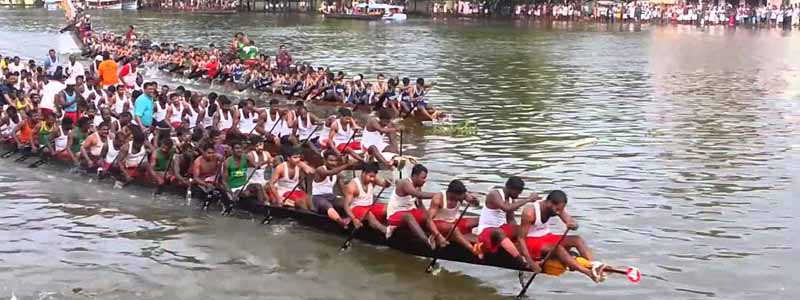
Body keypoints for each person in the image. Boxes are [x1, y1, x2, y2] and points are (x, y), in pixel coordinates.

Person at [517, 190, 606, 282]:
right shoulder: (530, 212)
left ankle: (592, 266)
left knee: (577, 239)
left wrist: (573, 224)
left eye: (561, 210)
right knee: (557, 248)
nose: (559, 213)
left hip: (546, 236)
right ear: (549, 203)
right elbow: (521, 239)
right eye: (557, 210)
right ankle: (588, 273)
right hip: (531, 241)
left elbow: (572, 222)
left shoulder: (557, 207)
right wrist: (530, 262)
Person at [476, 176, 537, 268]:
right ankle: (521, 262)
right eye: (518, 193)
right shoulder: (495, 194)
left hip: (500, 228)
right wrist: (528, 199)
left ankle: (531, 253)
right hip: (486, 231)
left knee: (522, 229)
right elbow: (506, 208)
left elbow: (511, 220)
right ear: (511, 189)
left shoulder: (510, 199)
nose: (518, 196)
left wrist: (517, 233)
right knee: (499, 232)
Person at [386, 164, 441, 249]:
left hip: (410, 211)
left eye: (425, 178)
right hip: (395, 215)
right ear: (415, 176)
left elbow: (420, 204)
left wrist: (427, 217)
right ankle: (426, 241)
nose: (424, 181)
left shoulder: (418, 187)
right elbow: (417, 194)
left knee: (427, 215)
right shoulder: (404, 183)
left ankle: (437, 235)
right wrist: (438, 195)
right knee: (408, 216)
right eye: (423, 178)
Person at [428, 179, 483, 258]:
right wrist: (439, 236)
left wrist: (475, 201)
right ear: (451, 193)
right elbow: (428, 220)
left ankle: (487, 239)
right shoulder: (438, 198)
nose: (462, 198)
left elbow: (476, 204)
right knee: (454, 228)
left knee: (479, 220)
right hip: (439, 224)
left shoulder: (462, 194)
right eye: (460, 197)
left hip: (454, 222)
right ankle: (474, 250)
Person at [342, 162, 392, 236]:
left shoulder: (374, 179)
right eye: (370, 176)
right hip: (356, 209)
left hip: (369, 207)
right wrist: (353, 219)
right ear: (363, 173)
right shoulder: (353, 185)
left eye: (374, 176)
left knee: (388, 208)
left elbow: (384, 184)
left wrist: (388, 183)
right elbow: (346, 206)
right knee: (368, 214)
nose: (372, 179)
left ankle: (392, 225)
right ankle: (384, 230)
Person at [312, 150, 356, 228]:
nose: (334, 163)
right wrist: (347, 165)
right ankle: (340, 221)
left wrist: (349, 199)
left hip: (331, 197)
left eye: (335, 161)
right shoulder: (320, 169)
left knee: (346, 203)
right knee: (327, 205)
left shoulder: (338, 174)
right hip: (318, 197)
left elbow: (343, 189)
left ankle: (350, 218)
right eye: (331, 160)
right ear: (324, 160)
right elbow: (329, 173)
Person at [220, 141, 266, 212]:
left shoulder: (246, 157)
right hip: (234, 188)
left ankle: (262, 207)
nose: (239, 150)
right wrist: (230, 193)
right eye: (237, 148)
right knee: (245, 193)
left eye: (241, 148)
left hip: (244, 185)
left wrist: (262, 163)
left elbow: (256, 165)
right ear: (232, 150)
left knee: (258, 186)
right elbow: (224, 181)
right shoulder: (227, 162)